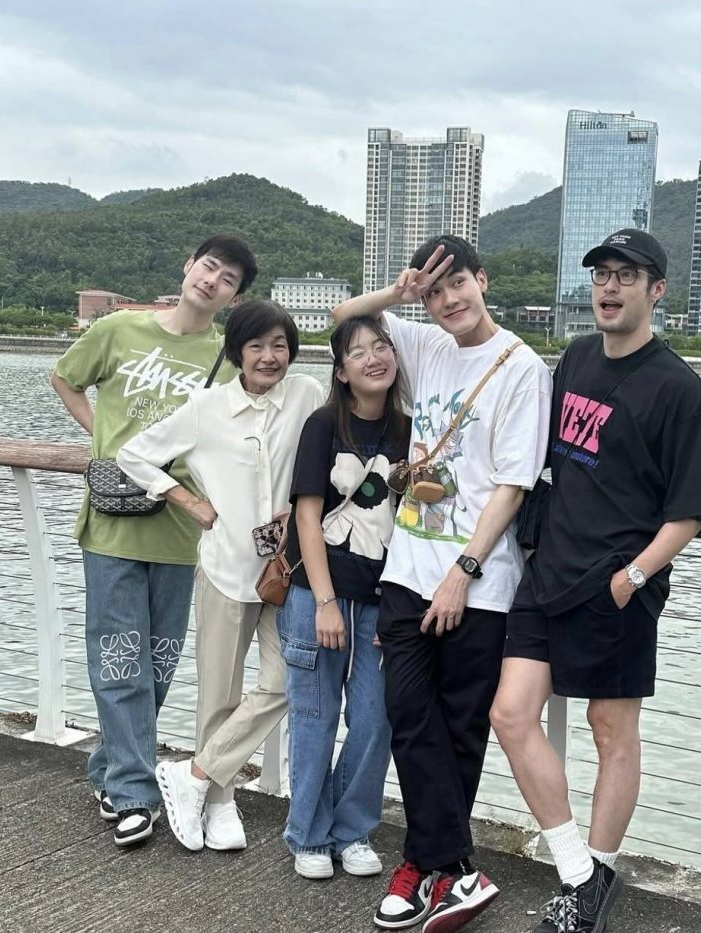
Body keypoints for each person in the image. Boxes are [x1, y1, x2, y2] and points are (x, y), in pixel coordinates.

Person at [490, 229, 701, 933]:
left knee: (611, 728)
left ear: (657, 290)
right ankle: (580, 876)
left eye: (626, 275)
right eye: (601, 275)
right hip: (548, 572)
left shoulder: (680, 390)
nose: (609, 287)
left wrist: (632, 577)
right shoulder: (578, 358)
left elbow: (690, 511)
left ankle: (596, 869)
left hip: (618, 586)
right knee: (510, 714)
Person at [332, 236, 552, 933]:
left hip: (478, 584)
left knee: (459, 730)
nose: (448, 299)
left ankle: (419, 868)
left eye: (457, 283)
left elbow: (512, 485)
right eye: (433, 292)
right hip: (405, 571)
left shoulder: (522, 368)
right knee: (408, 715)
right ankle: (455, 869)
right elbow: (343, 316)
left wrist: (464, 571)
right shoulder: (425, 344)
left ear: (482, 280)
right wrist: (398, 293)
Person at [51, 235, 257, 846]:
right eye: (209, 266)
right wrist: (105, 440)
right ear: (189, 266)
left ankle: (108, 769)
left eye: (227, 279)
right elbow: (65, 379)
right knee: (120, 659)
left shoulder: (225, 357)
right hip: (113, 523)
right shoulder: (119, 329)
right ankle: (134, 793)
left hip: (184, 527)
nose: (212, 280)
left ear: (233, 297)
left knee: (158, 664)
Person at [117, 300, 325, 851]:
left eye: (280, 345)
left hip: (287, 572)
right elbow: (133, 455)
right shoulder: (206, 407)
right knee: (218, 694)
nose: (269, 356)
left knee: (285, 680)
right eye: (257, 345)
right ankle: (219, 801)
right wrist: (189, 501)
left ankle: (194, 775)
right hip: (225, 568)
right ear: (236, 352)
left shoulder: (306, 395)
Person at [278, 316, 410, 880]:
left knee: (376, 718)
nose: (373, 358)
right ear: (341, 371)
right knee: (315, 714)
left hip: (384, 597)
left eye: (382, 346)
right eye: (358, 352)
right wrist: (326, 601)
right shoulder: (322, 424)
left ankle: (352, 829)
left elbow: (415, 519)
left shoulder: (409, 429)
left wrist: (403, 601)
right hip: (318, 593)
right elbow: (307, 517)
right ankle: (308, 834)